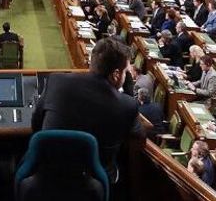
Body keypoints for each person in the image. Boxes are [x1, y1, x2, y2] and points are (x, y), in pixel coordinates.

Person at [32, 37, 146, 181]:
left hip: (46, 176)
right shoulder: (127, 105)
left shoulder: (56, 81)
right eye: (125, 73)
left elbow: (36, 124)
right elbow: (139, 136)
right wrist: (127, 88)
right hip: (94, 183)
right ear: (116, 74)